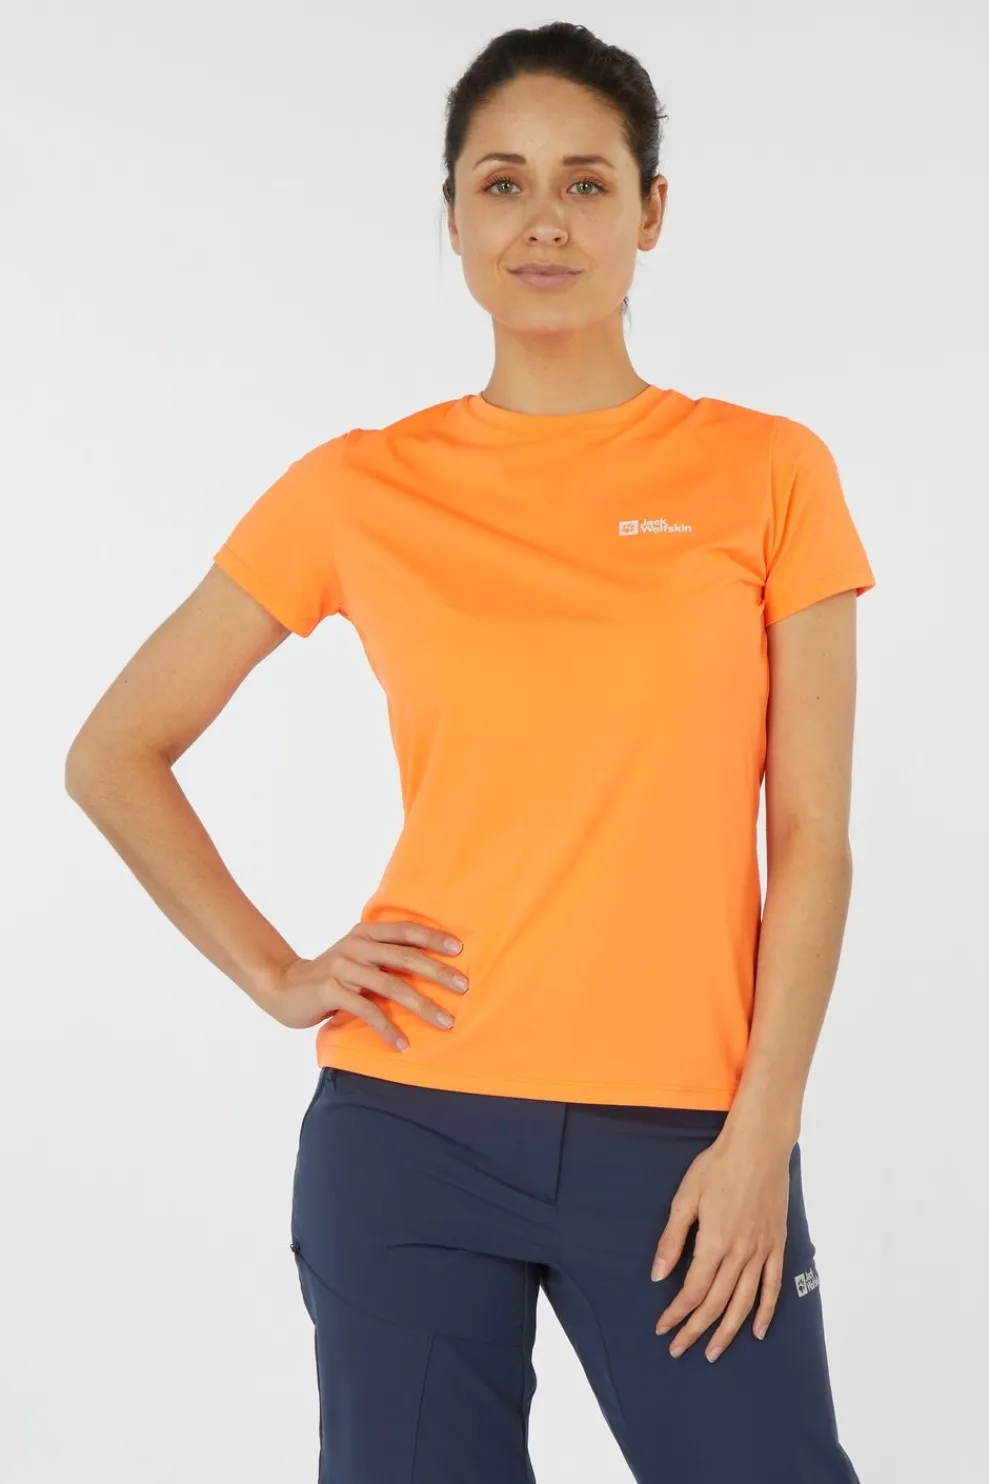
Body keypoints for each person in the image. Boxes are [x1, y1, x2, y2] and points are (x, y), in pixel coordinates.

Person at [65, 21, 876, 1484]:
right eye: (502, 183)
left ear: (652, 211)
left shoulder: (769, 471)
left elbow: (812, 835)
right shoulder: (358, 488)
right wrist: (278, 974)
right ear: (451, 217)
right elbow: (116, 750)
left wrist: (764, 1134)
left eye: (586, 181)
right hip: (409, 1132)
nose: (542, 220)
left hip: (688, 1139)